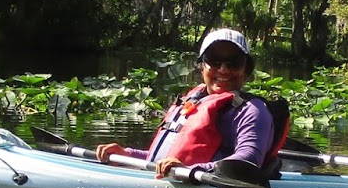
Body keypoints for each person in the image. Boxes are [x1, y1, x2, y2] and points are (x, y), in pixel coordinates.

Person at [95, 28, 276, 179]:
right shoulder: (192, 101)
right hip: (170, 180)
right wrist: (127, 155)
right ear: (202, 66)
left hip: (202, 187)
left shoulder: (252, 111)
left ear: (246, 69)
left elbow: (247, 161)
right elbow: (160, 160)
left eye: (234, 63)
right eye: (214, 61)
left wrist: (191, 171)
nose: (223, 69)